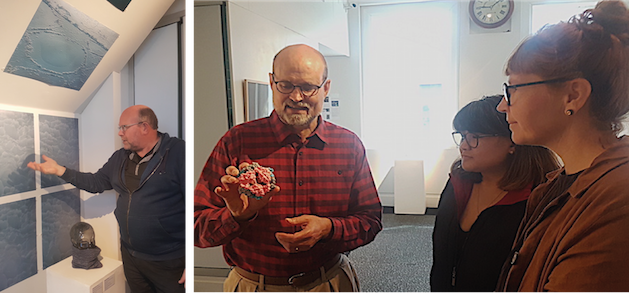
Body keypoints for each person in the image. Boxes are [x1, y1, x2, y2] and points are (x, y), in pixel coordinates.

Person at [192, 44, 382, 293]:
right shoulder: (237, 142)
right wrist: (237, 216)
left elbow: (371, 219)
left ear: (326, 88)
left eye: (308, 87)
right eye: (286, 85)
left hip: (329, 281)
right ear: (272, 83)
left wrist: (328, 228)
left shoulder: (348, 145)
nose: (296, 97)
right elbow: (195, 227)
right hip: (254, 285)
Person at [494, 0, 629, 291]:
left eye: (513, 88)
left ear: (573, 95)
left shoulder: (623, 201)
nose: (503, 105)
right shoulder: (559, 185)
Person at [27, 105, 187, 293]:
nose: (120, 133)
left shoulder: (178, 153)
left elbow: (196, 206)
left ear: (144, 127)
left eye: (124, 128)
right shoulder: (120, 157)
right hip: (131, 257)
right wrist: (60, 171)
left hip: (170, 261)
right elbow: (96, 182)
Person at [429, 95, 559, 292]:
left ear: (512, 142)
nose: (464, 145)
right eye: (463, 136)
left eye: (475, 137)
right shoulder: (457, 183)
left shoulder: (536, 200)